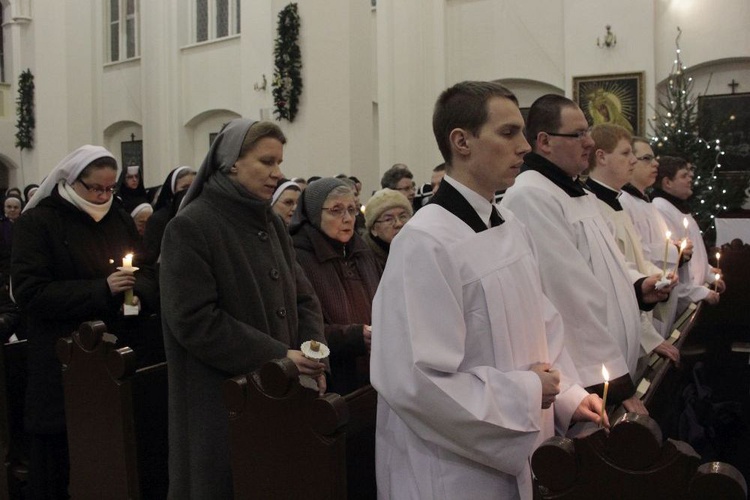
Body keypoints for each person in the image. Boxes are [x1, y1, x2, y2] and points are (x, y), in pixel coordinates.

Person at [371, 81, 603, 500]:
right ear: (461, 141)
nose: (525, 147)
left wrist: (567, 395)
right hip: (454, 469)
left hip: (523, 441)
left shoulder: (511, 227)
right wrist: (530, 393)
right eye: (509, 132)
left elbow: (543, 326)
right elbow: (416, 381)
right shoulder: (425, 242)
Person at [159, 118, 327, 499]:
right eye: (266, 162)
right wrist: (279, 357)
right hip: (222, 400)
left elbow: (304, 298)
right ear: (231, 161)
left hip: (280, 388)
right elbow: (195, 321)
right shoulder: (192, 225)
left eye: (279, 162)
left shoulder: (269, 220)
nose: (278, 173)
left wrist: (316, 355)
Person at [502, 95, 674, 415]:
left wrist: (639, 286)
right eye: (578, 134)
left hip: (612, 364)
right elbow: (570, 296)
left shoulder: (576, 193)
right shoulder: (532, 196)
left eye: (588, 132)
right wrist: (612, 385)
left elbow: (612, 264)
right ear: (545, 142)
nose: (589, 141)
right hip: (586, 383)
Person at [11, 145, 159, 498]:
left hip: (116, 358)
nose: (103, 196)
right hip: (60, 362)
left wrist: (139, 293)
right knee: (57, 465)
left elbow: (148, 270)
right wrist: (101, 289)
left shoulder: (119, 217)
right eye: (95, 188)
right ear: (71, 182)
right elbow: (31, 293)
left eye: (110, 189)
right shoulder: (40, 222)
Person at [586, 124, 679, 365]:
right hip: (612, 333)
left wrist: (657, 275)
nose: (634, 161)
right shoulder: (593, 206)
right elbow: (612, 278)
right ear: (601, 156)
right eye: (626, 153)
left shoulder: (615, 202)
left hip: (635, 321)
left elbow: (635, 260)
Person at [290, 177, 381, 395]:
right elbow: (301, 325)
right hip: (333, 376)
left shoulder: (361, 250)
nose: (347, 218)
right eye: (336, 210)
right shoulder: (298, 256)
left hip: (373, 372)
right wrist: (355, 337)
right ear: (313, 214)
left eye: (352, 209)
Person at [620, 138, 682, 335]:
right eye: (646, 158)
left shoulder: (647, 202)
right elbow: (637, 254)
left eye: (655, 158)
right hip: (645, 296)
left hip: (661, 289)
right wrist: (675, 251)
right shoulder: (624, 201)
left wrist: (675, 248)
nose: (656, 164)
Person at [652, 156, 725, 314]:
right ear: (667, 182)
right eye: (684, 176)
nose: (690, 179)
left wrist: (709, 274)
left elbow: (695, 252)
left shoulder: (677, 206)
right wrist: (699, 292)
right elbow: (673, 261)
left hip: (693, 297)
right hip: (680, 301)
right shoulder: (661, 208)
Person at [142, 166, 196, 264]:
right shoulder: (157, 220)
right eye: (185, 187)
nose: (190, 192)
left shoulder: (201, 215)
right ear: (173, 189)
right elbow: (150, 259)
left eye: (194, 187)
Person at [362, 188, 412, 269]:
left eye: (403, 216)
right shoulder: (365, 260)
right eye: (388, 219)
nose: (398, 224)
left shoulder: (417, 248)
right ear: (373, 229)